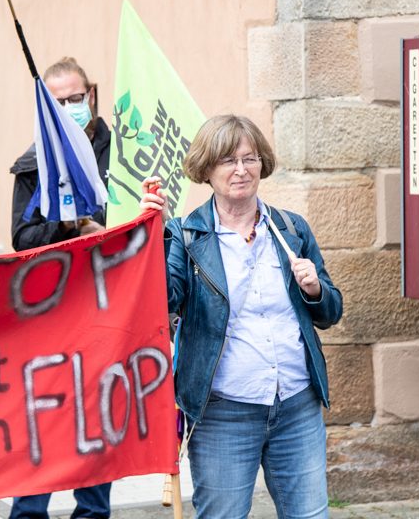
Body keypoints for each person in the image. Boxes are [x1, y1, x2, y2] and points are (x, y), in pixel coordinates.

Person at [140, 114, 343, 519]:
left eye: (250, 159)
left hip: (296, 406)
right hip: (222, 413)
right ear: (206, 169)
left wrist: (315, 290)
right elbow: (164, 300)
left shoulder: (290, 229)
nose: (241, 170)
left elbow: (331, 311)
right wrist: (153, 234)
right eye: (228, 161)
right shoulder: (186, 235)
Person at [7, 57, 111, 519]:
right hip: (52, 311)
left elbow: (143, 220)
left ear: (91, 96)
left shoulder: (125, 151)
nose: (70, 107)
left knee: (99, 415)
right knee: (47, 419)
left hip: (110, 309)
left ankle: (93, 512)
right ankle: (29, 512)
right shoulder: (34, 163)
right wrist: (66, 226)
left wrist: (99, 227)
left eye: (76, 98)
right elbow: (21, 239)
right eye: (59, 101)